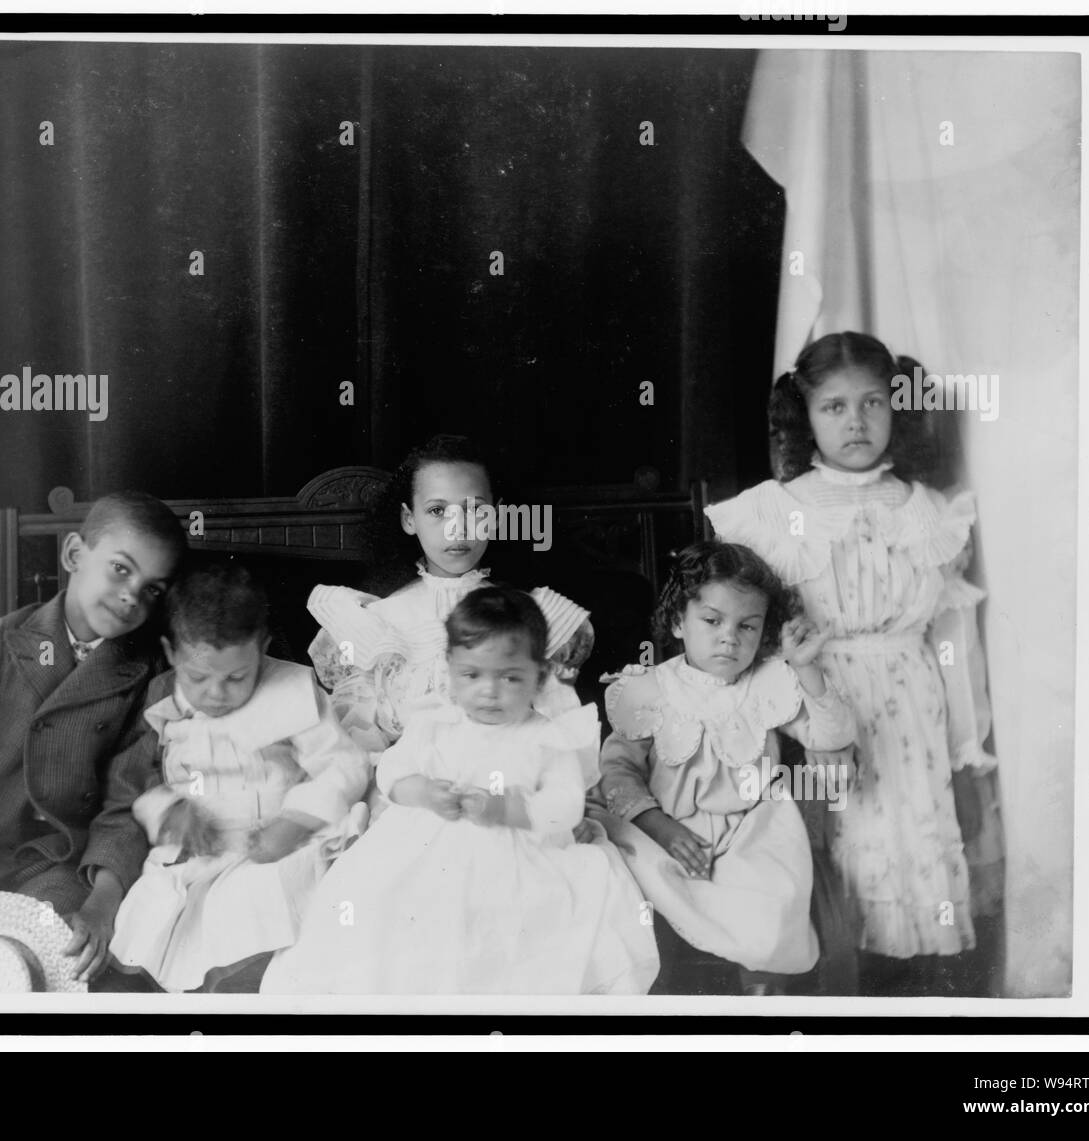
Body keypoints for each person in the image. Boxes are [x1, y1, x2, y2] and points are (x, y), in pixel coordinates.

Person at [706, 331, 1000, 995]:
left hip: (911, 703)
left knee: (911, 845)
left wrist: (966, 742)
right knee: (836, 860)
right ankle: (834, 992)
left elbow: (955, 638)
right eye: (833, 407)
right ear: (804, 418)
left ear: (897, 407)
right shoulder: (777, 511)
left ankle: (907, 991)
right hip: (819, 701)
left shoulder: (927, 511)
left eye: (872, 402)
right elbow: (743, 629)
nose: (856, 421)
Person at [261, 586, 659, 994]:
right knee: (389, 910)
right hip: (429, 844)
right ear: (451, 670)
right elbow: (393, 772)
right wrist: (422, 791)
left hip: (521, 850)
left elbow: (565, 805)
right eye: (472, 675)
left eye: (510, 677)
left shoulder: (546, 737)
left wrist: (507, 810)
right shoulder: (437, 722)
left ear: (539, 677)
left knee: (530, 924)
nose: (489, 691)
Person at [0, 490, 187, 984]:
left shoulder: (145, 676)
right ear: (75, 554)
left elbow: (126, 798)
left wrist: (104, 899)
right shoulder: (2, 643)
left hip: (57, 862)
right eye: (121, 569)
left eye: (152, 590)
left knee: (55, 961)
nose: (131, 596)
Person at [596, 540, 855, 991]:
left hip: (749, 832)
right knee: (622, 887)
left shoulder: (768, 684)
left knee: (771, 903)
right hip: (664, 830)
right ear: (678, 621)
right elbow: (618, 772)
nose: (729, 637)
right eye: (712, 621)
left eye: (747, 626)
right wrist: (659, 826)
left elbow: (831, 737)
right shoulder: (649, 688)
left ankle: (762, 995)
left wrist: (807, 669)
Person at [107, 562, 370, 993]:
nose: (215, 694)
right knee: (154, 909)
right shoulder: (165, 701)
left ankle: (243, 989)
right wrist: (172, 810)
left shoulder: (291, 691)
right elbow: (143, 781)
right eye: (197, 677)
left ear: (261, 649)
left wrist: (294, 822)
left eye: (236, 677)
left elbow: (346, 765)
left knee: (254, 902)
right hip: (202, 846)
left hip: (278, 838)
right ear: (172, 653)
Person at [306, 435, 594, 772]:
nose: (458, 529)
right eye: (437, 511)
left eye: (474, 510)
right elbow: (358, 744)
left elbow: (554, 731)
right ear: (409, 519)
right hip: (408, 793)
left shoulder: (531, 617)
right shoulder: (374, 623)